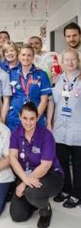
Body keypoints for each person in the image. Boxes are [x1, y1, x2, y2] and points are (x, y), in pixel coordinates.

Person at [9, 102, 64, 228]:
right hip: (27, 175)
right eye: (25, 118)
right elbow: (12, 158)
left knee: (32, 193)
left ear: (37, 117)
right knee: (17, 215)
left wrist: (24, 183)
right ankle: (35, 201)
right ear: (19, 117)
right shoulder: (16, 133)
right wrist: (25, 178)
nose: (28, 122)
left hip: (51, 175)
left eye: (32, 118)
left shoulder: (46, 135)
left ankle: (45, 211)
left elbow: (45, 166)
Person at [47, 49, 81, 208]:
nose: (70, 62)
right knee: (62, 162)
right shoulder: (58, 79)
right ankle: (66, 189)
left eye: (73, 59)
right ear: (62, 62)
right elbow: (52, 101)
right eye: (66, 59)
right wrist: (49, 122)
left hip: (78, 128)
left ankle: (76, 194)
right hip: (60, 128)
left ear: (78, 61)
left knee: (78, 164)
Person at [6, 44, 52, 131]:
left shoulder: (41, 74)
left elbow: (44, 101)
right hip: (15, 119)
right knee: (14, 144)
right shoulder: (11, 73)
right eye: (23, 55)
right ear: (19, 56)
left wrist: (33, 119)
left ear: (33, 57)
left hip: (35, 121)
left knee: (35, 144)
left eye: (29, 55)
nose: (26, 58)